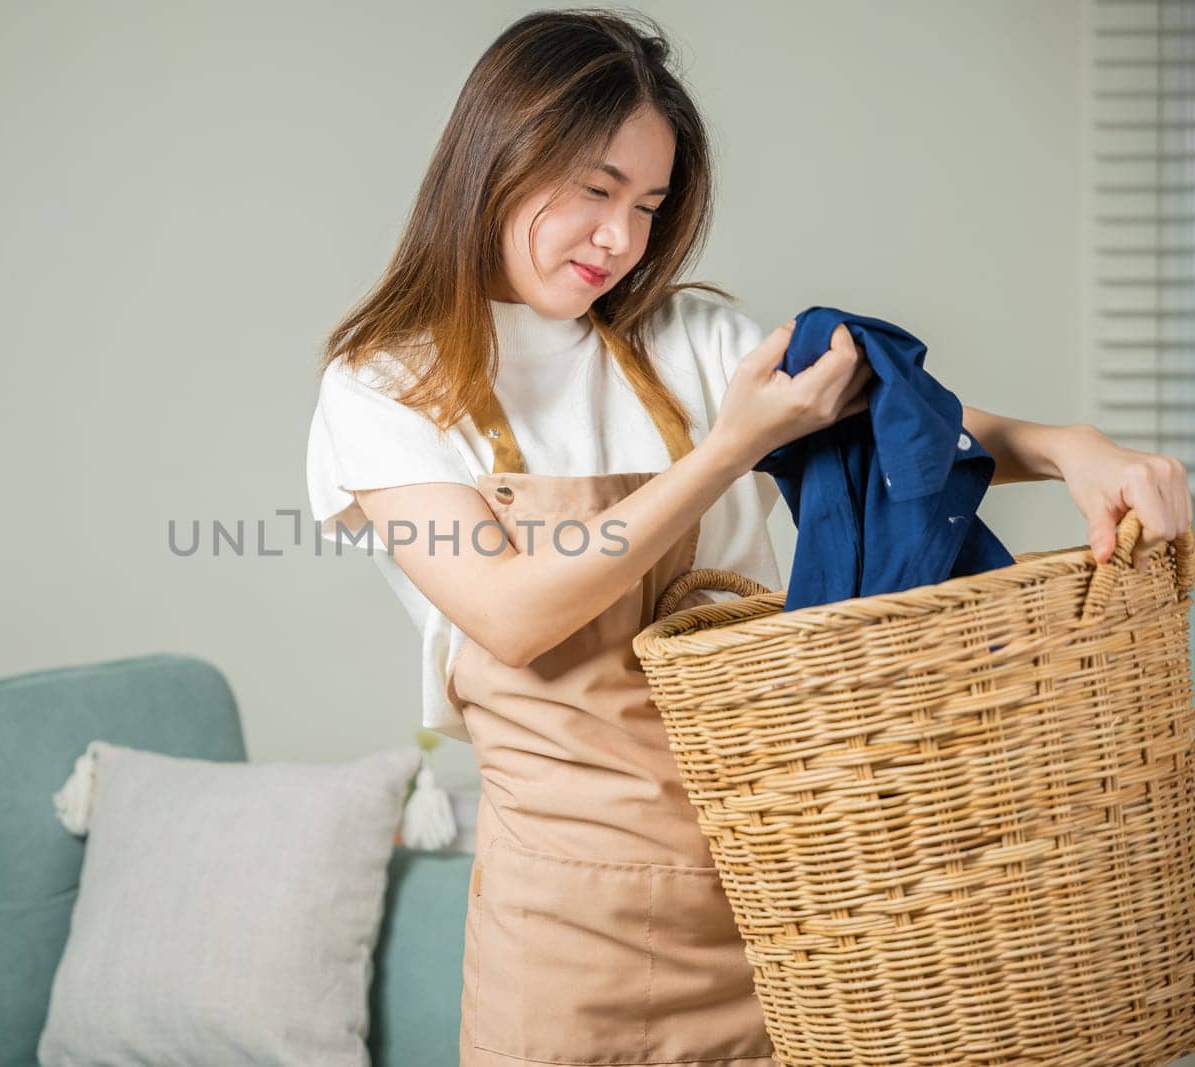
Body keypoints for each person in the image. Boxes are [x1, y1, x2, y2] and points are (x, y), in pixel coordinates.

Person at [304, 10, 1192, 1065]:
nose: (620, 241)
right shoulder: (384, 386)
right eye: (593, 191)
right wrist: (728, 449)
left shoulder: (688, 339)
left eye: (646, 204)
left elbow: (886, 422)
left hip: (799, 894)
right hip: (572, 930)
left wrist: (1062, 445)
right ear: (496, 155)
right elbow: (511, 611)